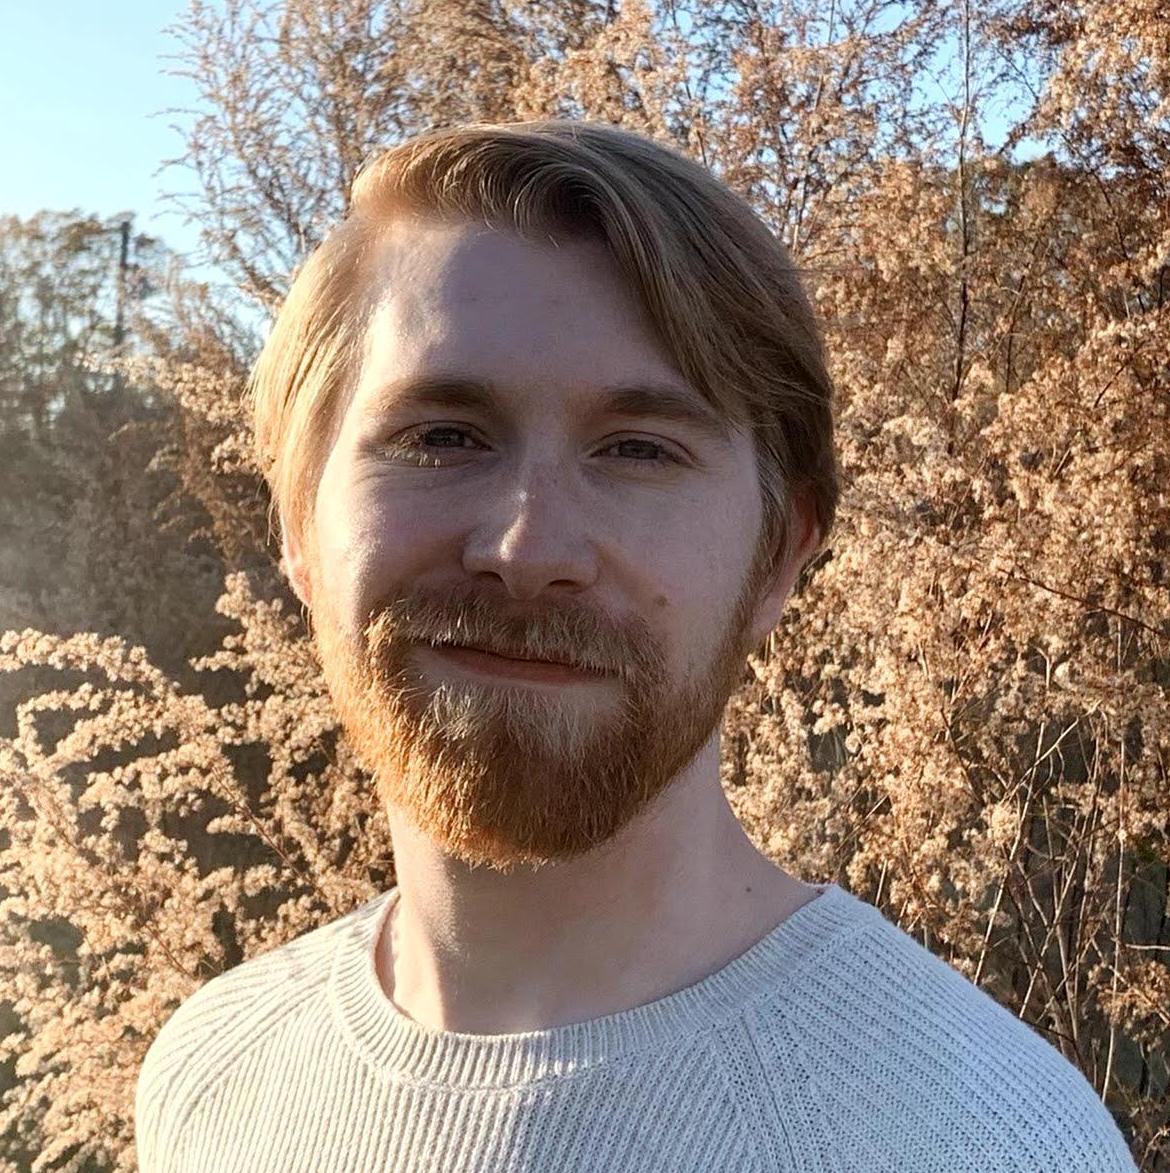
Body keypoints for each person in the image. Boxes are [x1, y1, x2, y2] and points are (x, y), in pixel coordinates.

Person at [135, 120, 1136, 1172]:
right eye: (441, 436)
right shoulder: (212, 1076)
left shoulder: (985, 1141)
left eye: (639, 451)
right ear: (298, 521)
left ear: (779, 556)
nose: (529, 551)